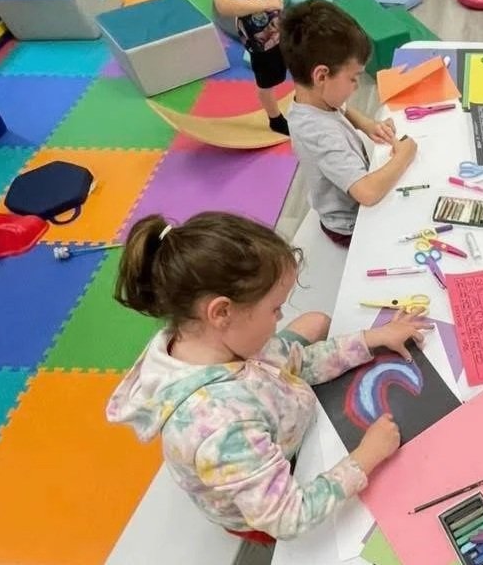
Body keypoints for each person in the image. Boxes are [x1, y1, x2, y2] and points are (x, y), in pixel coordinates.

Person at [106, 212, 431, 542]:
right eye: (275, 309)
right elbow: (289, 518)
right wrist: (366, 457)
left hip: (269, 398)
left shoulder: (212, 338)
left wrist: (373, 338)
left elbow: (297, 361)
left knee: (315, 322)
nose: (281, 316)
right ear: (221, 312)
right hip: (262, 510)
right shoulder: (222, 428)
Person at [281, 0, 417, 247]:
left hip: (355, 195)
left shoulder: (313, 98)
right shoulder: (319, 133)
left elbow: (341, 108)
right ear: (321, 75)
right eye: (353, 78)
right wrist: (404, 155)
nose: (356, 86)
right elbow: (368, 193)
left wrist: (368, 125)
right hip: (350, 225)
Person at [210, 0, 290, 134]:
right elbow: (222, 4)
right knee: (267, 79)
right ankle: (275, 119)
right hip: (258, 34)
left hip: (275, 19)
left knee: (287, 60)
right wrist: (266, 3)